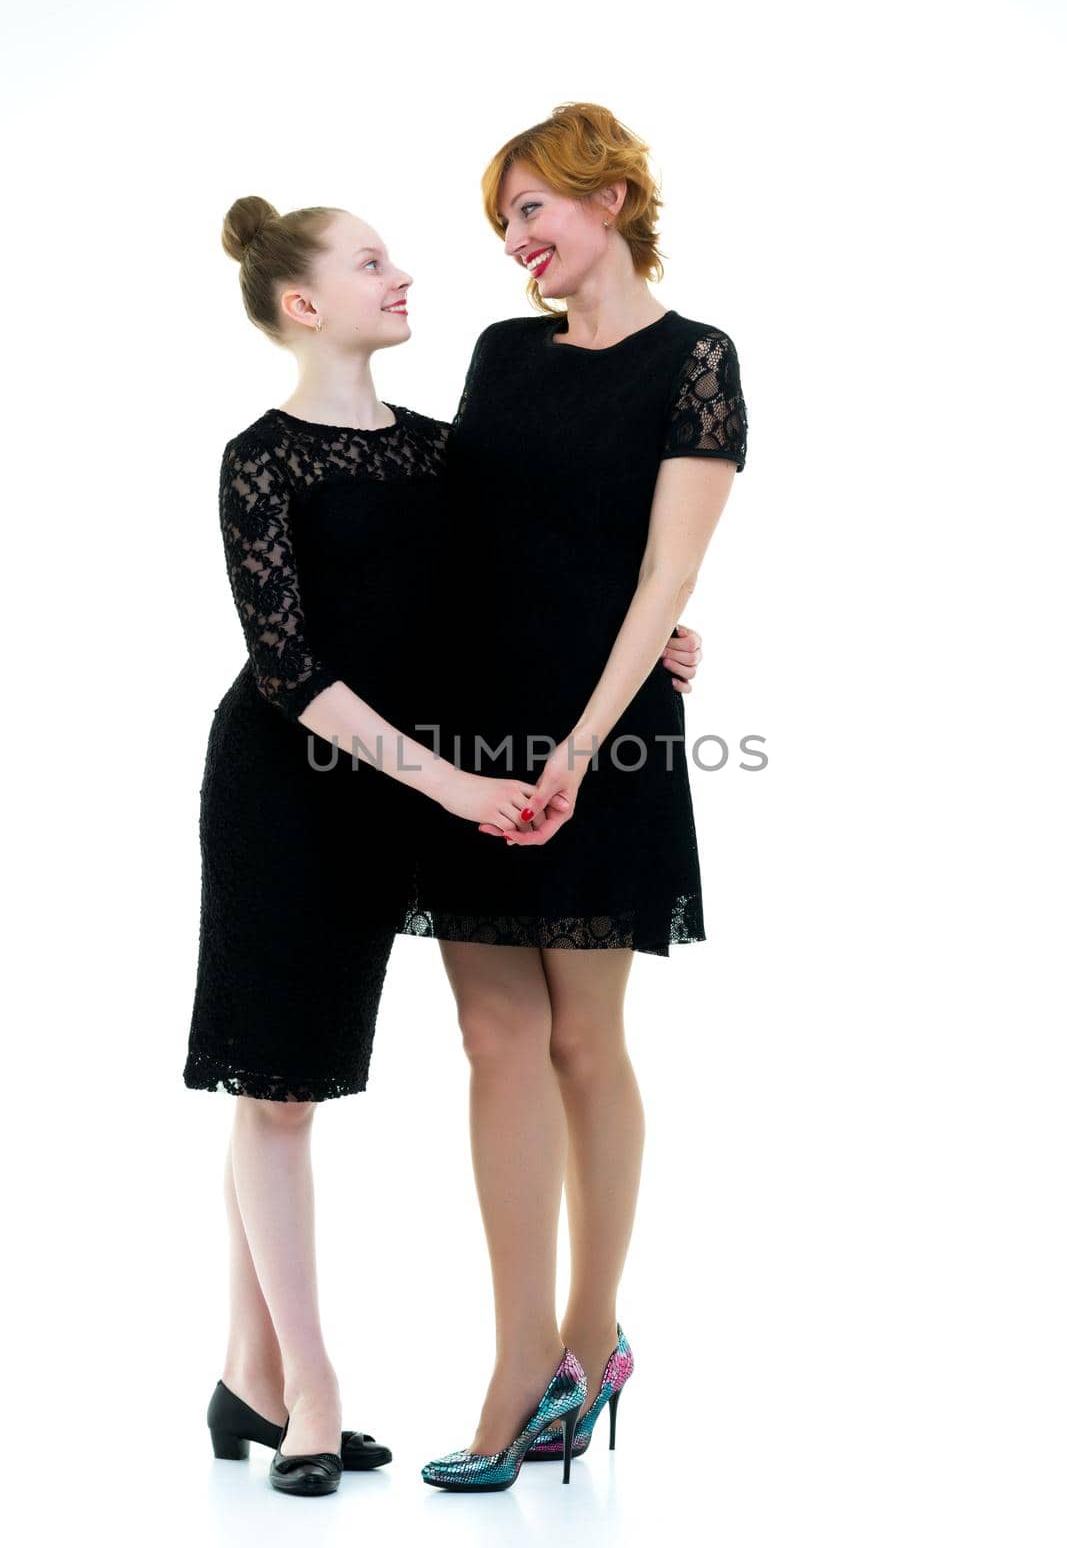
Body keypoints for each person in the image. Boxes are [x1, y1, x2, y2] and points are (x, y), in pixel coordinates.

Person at [183, 191, 706, 1496]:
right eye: (373, 262)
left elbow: (526, 570)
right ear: (306, 304)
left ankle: (245, 1374)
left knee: (289, 1081)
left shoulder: (433, 450)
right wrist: (461, 788)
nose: (404, 273)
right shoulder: (259, 458)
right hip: (289, 789)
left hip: (399, 803)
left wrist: (649, 649)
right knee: (277, 1083)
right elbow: (290, 669)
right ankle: (310, 1394)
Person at [399, 103, 749, 1492]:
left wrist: (585, 740)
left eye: (532, 208)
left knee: (583, 1043)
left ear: (608, 200)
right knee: (495, 1038)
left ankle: (590, 1344)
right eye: (503, 222)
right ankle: (514, 1353)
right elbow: (463, 529)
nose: (515, 242)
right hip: (473, 727)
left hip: (600, 739)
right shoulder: (501, 352)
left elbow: (667, 577)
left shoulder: (698, 361)